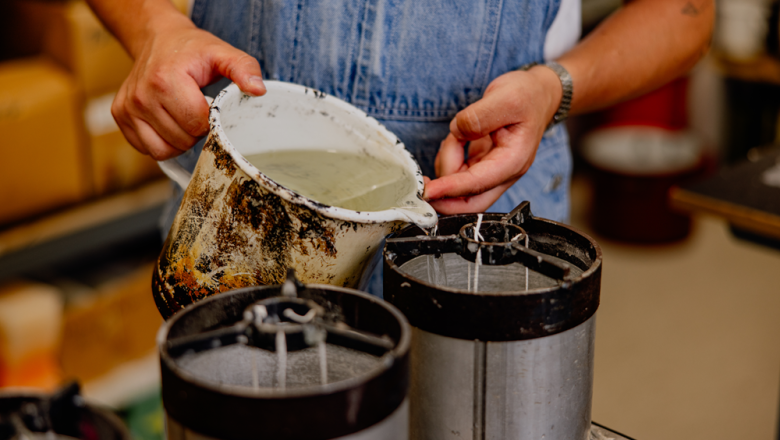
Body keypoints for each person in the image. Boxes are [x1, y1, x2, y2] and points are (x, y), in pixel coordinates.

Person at [87, 0, 713, 294]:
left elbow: (686, 12)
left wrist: (556, 88)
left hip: (479, 234)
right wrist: (153, 26)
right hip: (236, 221)